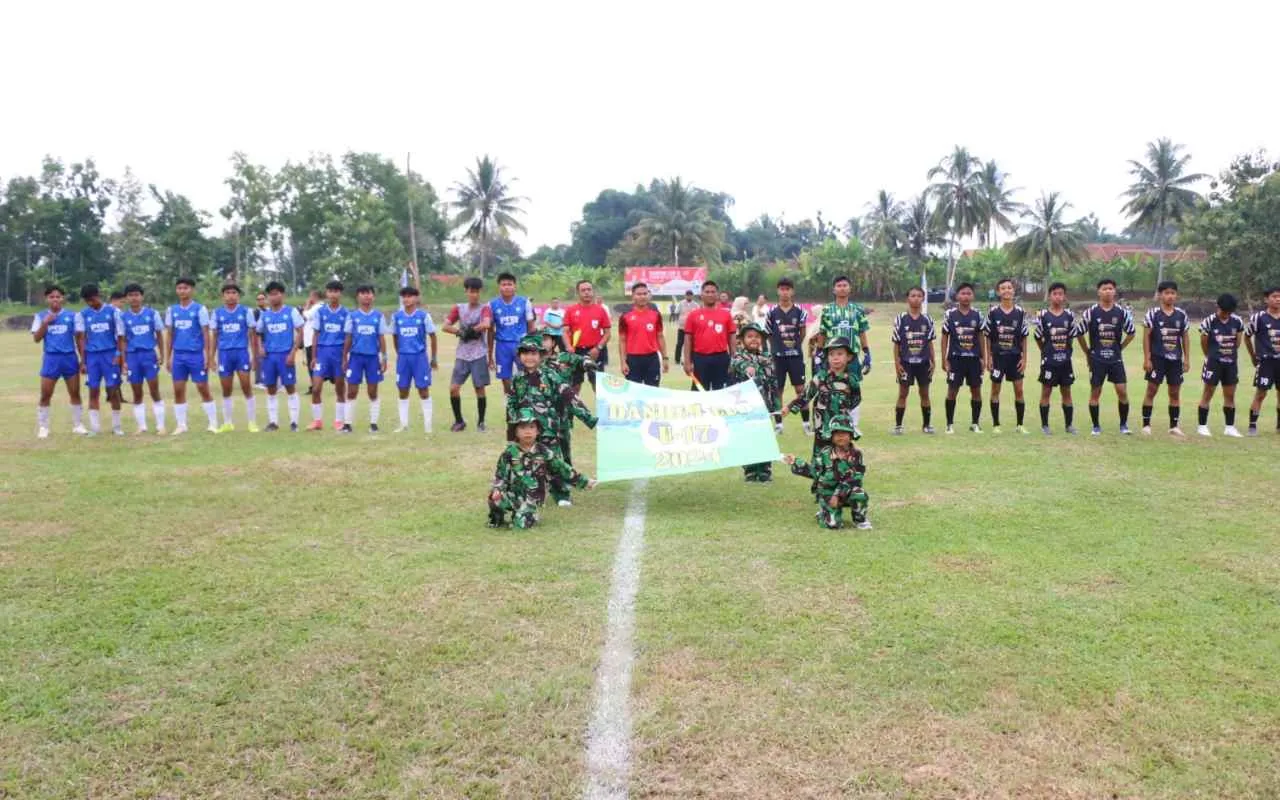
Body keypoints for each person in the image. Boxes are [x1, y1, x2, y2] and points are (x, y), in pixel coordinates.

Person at [506, 335, 596, 507]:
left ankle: (561, 494)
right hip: (526, 431)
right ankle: (530, 493)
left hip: (547, 428)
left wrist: (589, 418)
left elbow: (569, 397)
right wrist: (512, 432)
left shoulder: (550, 375)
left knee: (553, 461)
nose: (529, 357)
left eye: (533, 353)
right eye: (525, 353)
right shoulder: (518, 378)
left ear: (540, 356)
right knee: (525, 461)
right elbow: (511, 403)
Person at [488, 408, 596, 529]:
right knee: (494, 497)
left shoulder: (544, 452)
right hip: (513, 494)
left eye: (531, 427)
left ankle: (528, 514)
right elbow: (500, 475)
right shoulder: (509, 452)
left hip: (531, 498)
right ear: (516, 432)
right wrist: (497, 489)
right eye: (522, 428)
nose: (527, 431)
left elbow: (563, 469)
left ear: (538, 431)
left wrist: (584, 481)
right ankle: (497, 518)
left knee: (520, 525)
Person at [781, 415, 870, 530]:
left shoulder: (857, 454)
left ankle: (860, 519)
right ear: (831, 436)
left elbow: (855, 478)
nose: (840, 436)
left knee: (860, 494)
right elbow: (814, 472)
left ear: (851, 435)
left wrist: (837, 495)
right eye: (836, 433)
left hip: (847, 492)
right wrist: (794, 461)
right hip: (828, 493)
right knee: (833, 525)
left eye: (844, 432)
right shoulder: (824, 454)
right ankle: (824, 513)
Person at [1075, 278, 1137, 435]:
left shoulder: (1122, 312)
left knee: (1122, 391)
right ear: (1099, 292)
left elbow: (1131, 332)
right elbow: (1079, 333)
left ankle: (1123, 425)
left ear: (1114, 291)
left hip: (1115, 359)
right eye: (1104, 289)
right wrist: (1087, 352)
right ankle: (1096, 426)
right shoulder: (1091, 312)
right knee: (1095, 392)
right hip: (1097, 360)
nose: (1108, 291)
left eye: (1110, 288)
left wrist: (1120, 347)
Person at [788, 337, 862, 462]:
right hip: (821, 426)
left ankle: (843, 478)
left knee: (842, 456)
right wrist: (788, 408)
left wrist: (850, 422)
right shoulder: (821, 377)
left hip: (841, 428)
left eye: (840, 354)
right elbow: (806, 395)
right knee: (820, 459)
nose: (835, 358)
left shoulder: (852, 380)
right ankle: (820, 478)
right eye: (831, 354)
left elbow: (856, 401)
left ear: (848, 357)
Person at [818, 275, 872, 436]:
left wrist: (867, 352)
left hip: (852, 355)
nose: (842, 288)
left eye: (845, 285)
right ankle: (832, 422)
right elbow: (822, 332)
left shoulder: (857, 309)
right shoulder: (828, 309)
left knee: (853, 388)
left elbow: (862, 331)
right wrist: (819, 353)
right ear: (834, 289)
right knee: (830, 387)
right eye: (839, 285)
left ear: (850, 288)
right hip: (832, 356)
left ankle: (853, 424)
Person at [165, 276, 218, 435]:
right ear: (176, 290)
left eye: (186, 288)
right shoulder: (171, 310)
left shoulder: (199, 309)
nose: (182, 291)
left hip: (196, 355)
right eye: (180, 288)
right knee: (178, 389)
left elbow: (206, 334)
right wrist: (168, 357)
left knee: (203, 387)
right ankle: (181, 425)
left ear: (192, 290)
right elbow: (169, 335)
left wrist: (208, 356)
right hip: (179, 356)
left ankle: (213, 423)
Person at [730, 323, 782, 482]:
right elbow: (738, 365)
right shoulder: (738, 357)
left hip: (764, 405)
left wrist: (777, 407)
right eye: (749, 336)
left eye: (757, 337)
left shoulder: (767, 357)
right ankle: (751, 470)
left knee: (764, 437)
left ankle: (765, 470)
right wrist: (748, 368)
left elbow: (773, 384)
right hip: (746, 407)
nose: (754, 339)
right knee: (748, 438)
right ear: (742, 340)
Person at [31, 285, 86, 438]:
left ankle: (78, 424)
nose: (55, 299)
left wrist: (83, 360)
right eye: (51, 297)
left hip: (69, 358)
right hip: (51, 359)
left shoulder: (73, 316)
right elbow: (36, 338)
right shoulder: (41, 316)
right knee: (45, 394)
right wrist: (46, 323)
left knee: (75, 393)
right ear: (46, 299)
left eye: (58, 296)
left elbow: (80, 339)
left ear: (63, 298)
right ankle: (43, 427)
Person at [1140, 280, 1191, 436]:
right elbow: (1146, 337)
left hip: (1175, 360)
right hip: (1157, 358)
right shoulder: (1152, 314)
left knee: (1174, 393)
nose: (1170, 296)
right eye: (1167, 293)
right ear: (1160, 295)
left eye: (1173, 293)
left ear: (1176, 295)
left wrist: (1187, 358)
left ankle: (1174, 426)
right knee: (1151, 390)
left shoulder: (1181, 315)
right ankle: (1146, 425)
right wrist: (1147, 358)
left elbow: (1185, 337)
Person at [443, 276, 493, 432]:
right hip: (462, 354)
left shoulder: (484, 308)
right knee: (454, 388)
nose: (474, 295)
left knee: (479, 388)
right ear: (466, 291)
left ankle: (481, 422)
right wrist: (459, 332)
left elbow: (486, 324)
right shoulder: (459, 308)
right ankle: (459, 421)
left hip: (478, 353)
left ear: (480, 292)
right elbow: (445, 326)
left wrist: (473, 330)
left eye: (476, 292)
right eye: (471, 291)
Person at [254, 281, 305, 431]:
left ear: (282, 295)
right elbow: (258, 333)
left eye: (276, 293)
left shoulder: (291, 312)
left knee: (290, 387)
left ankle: (294, 422)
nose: (273, 297)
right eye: (271, 294)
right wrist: (261, 347)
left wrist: (293, 352)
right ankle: (273, 422)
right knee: (270, 388)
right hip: (269, 356)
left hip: (285, 355)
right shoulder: (265, 315)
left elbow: (300, 331)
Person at [76, 283, 126, 436]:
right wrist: (83, 361)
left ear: (99, 295)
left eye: (93, 299)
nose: (91, 303)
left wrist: (119, 355)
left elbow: (121, 336)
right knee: (93, 391)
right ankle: (95, 428)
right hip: (92, 357)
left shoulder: (114, 312)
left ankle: (117, 427)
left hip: (110, 355)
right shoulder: (83, 315)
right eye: (88, 301)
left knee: (113, 390)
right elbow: (82, 338)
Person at [208, 283, 258, 433]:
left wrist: (254, 356)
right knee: (226, 389)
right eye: (228, 293)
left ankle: (252, 423)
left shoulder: (246, 312)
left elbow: (252, 336)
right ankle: (228, 423)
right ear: (223, 296)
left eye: (234, 293)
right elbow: (215, 337)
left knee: (246, 387)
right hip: (224, 355)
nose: (231, 295)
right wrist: (211, 358)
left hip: (241, 353)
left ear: (238, 295)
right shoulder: (217, 313)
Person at [984, 278, 1031, 434]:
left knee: (1019, 390)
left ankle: (1020, 425)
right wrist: (989, 357)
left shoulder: (1020, 312)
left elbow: (1024, 337)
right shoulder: (993, 312)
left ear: (1013, 290)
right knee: (995, 390)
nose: (1006, 290)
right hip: (998, 358)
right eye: (1003, 288)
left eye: (1009, 288)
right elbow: (988, 336)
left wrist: (1024, 358)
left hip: (1015, 357)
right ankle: (996, 425)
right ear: (998, 292)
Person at [941, 283, 988, 434]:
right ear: (957, 296)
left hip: (974, 359)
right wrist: (944, 359)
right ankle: (949, 424)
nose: (966, 296)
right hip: (956, 359)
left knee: (976, 390)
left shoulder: (977, 315)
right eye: (963, 293)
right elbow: (944, 337)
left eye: (968, 293)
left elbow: (981, 336)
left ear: (972, 296)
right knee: (952, 391)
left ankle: (975, 423)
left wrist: (983, 357)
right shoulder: (950, 314)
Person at [1196, 293, 1245, 437]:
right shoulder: (1209, 321)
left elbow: (1237, 342)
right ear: (1218, 307)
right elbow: (1204, 342)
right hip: (1213, 363)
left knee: (1230, 395)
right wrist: (1211, 356)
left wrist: (1228, 354)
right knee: (1208, 393)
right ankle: (1202, 426)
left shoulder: (1238, 322)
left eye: (1229, 312)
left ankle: (1229, 427)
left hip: (1230, 364)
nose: (1226, 314)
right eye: (1224, 311)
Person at [765, 277, 810, 433]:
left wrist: (794, 346)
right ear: (778, 291)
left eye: (788, 289)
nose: (785, 292)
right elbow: (769, 334)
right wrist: (777, 348)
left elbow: (802, 333)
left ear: (792, 291)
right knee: (778, 390)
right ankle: (779, 425)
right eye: (782, 289)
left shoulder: (800, 311)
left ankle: (806, 424)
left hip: (795, 356)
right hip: (777, 357)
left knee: (801, 390)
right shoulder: (771, 312)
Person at [120, 283, 166, 434]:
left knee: (154, 391)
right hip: (133, 357)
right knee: (137, 392)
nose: (134, 298)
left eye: (137, 295)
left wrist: (162, 353)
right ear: (126, 298)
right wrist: (124, 361)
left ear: (142, 297)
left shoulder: (152, 314)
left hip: (148, 355)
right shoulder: (123, 317)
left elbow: (159, 334)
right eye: (130, 295)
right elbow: (123, 340)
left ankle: (160, 426)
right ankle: (142, 426)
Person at [342, 285, 389, 433]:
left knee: (372, 391)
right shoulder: (352, 316)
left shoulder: (378, 316)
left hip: (372, 358)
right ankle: (347, 424)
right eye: (362, 293)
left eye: (368, 293)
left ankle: (374, 424)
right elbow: (348, 337)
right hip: (355, 357)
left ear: (373, 296)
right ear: (358, 297)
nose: (366, 296)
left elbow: (381, 338)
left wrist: (384, 357)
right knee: (351, 391)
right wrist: (344, 357)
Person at [391, 285, 438, 433]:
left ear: (416, 298)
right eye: (404, 296)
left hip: (419, 358)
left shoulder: (423, 316)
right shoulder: (397, 316)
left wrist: (434, 357)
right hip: (404, 358)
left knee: (423, 390)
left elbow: (433, 336)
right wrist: (399, 353)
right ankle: (403, 425)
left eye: (410, 296)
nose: (407, 299)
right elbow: (394, 336)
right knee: (403, 390)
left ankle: (428, 426)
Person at [1034, 282, 1079, 435]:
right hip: (1049, 362)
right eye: (1055, 293)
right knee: (1046, 391)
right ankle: (1045, 426)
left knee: (1066, 392)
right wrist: (1046, 353)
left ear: (1064, 296)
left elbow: (1071, 337)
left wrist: (1065, 352)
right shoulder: (1043, 316)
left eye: (1061, 294)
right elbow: (1038, 337)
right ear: (1050, 296)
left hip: (1065, 362)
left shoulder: (1069, 316)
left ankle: (1069, 425)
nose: (1058, 297)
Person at [891, 286, 936, 434]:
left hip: (923, 363)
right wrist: (897, 363)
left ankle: (927, 425)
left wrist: (933, 361)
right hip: (906, 363)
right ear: (907, 298)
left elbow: (930, 342)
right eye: (912, 295)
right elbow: (896, 343)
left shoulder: (927, 319)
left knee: (925, 394)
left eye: (919, 296)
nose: (916, 298)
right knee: (903, 393)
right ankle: (898, 426)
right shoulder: (900, 319)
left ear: (923, 298)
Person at [307, 280, 349, 432]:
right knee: (316, 387)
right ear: (326, 293)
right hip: (323, 354)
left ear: (340, 294)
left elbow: (348, 337)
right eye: (330, 291)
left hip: (338, 353)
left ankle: (339, 420)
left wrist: (345, 357)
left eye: (336, 291)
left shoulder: (346, 313)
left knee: (339, 387)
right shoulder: (320, 312)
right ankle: (317, 421)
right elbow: (316, 335)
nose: (333, 294)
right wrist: (313, 356)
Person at [488, 272, 536, 395]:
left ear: (515, 286)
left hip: (521, 344)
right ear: (499, 287)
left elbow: (531, 327)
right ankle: (510, 400)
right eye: (504, 284)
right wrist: (489, 355)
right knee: (505, 377)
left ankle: (526, 399)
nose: (507, 287)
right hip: (502, 345)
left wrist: (533, 348)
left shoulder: (524, 302)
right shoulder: (492, 305)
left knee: (527, 373)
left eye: (510, 284)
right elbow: (490, 330)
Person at [682, 281, 736, 390]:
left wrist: (734, 360)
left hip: (721, 358)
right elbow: (688, 339)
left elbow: (732, 338)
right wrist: (687, 362)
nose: (710, 294)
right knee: (699, 393)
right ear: (701, 294)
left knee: (721, 392)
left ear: (717, 294)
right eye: (707, 292)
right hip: (700, 359)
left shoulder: (726, 314)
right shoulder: (693, 315)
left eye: (713, 292)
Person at [562, 280, 611, 393]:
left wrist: (598, 348)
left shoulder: (601, 310)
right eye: (583, 290)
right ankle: (575, 410)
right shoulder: (571, 310)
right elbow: (565, 331)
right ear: (578, 293)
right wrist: (569, 346)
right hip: (576, 352)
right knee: (575, 385)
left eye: (589, 289)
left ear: (593, 291)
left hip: (595, 352)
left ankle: (601, 410)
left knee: (598, 385)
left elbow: (607, 333)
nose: (587, 292)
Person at [1244, 285, 1280, 436]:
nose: (1278, 299)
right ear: (1266, 299)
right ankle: (1252, 425)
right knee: (1261, 393)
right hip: (1266, 362)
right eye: (1274, 296)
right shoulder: (1258, 318)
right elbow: (1247, 336)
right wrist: (1253, 356)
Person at [618, 282, 667, 387]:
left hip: (652, 359)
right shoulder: (625, 316)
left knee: (653, 392)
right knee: (634, 394)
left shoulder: (656, 314)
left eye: (645, 294)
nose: (642, 297)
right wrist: (623, 362)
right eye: (639, 294)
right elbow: (622, 340)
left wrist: (665, 358)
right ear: (633, 296)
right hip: (632, 360)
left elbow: (660, 336)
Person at [673, 290, 699, 364]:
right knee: (679, 343)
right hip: (682, 327)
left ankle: (690, 359)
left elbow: (698, 315)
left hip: (692, 328)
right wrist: (677, 321)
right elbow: (676, 313)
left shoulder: (695, 305)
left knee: (691, 344)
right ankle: (677, 359)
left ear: (692, 296)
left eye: (690, 295)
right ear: (685, 296)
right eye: (687, 295)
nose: (689, 296)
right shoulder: (681, 303)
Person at [302, 290, 321, 379]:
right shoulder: (315, 308)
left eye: (310, 296)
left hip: (311, 340)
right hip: (309, 340)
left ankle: (314, 384)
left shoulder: (317, 307)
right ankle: (313, 384)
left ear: (315, 296)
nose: (309, 299)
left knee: (312, 363)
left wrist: (306, 305)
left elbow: (304, 316)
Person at [254, 292, 269, 388]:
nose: (261, 301)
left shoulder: (268, 311)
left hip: (267, 339)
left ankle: (266, 378)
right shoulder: (256, 312)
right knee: (259, 360)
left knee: (266, 359)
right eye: (259, 299)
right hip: (258, 338)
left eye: (262, 299)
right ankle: (258, 381)